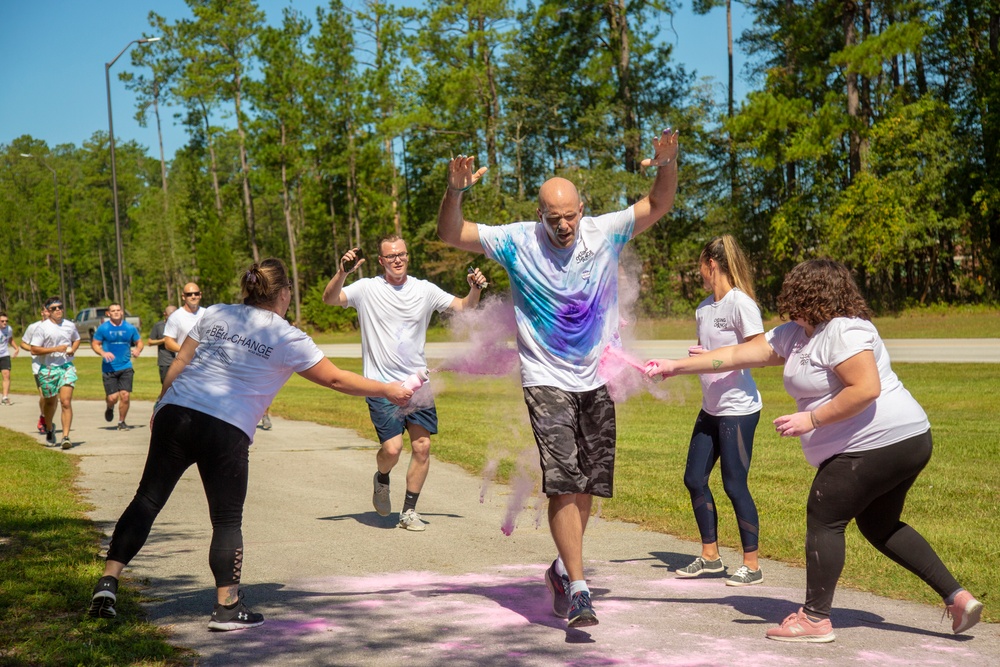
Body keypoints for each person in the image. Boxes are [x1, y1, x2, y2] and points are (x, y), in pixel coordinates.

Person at [645, 258, 984, 643]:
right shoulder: (797, 334)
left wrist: (812, 420)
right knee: (879, 525)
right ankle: (958, 597)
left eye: (794, 296)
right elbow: (740, 355)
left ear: (812, 295)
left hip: (880, 442)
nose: (788, 305)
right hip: (903, 440)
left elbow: (866, 388)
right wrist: (675, 366)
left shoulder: (843, 330)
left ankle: (815, 619)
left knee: (824, 513)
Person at [437, 128, 680, 627]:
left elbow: (658, 203)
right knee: (563, 483)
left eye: (570, 216)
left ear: (582, 209)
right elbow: (450, 234)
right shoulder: (516, 241)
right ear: (538, 215)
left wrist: (667, 163)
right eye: (554, 218)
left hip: (596, 377)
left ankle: (560, 571)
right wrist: (455, 191)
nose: (564, 226)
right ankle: (580, 586)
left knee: (587, 484)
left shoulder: (604, 230)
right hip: (544, 376)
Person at [88, 258, 413, 630]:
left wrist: (162, 403)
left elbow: (182, 359)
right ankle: (227, 607)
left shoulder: (217, 312)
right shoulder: (288, 337)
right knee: (226, 519)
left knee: (147, 499)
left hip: (176, 412)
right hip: (226, 427)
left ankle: (108, 583)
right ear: (285, 293)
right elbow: (337, 380)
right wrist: (389, 388)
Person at [322, 237, 487, 531]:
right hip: (381, 385)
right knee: (393, 450)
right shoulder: (367, 288)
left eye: (401, 254)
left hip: (418, 383)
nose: (397, 259)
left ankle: (409, 511)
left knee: (422, 447)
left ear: (407, 257)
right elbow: (329, 299)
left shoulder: (424, 289)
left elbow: (464, 307)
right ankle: (382, 479)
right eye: (391, 256)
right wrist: (343, 272)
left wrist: (474, 288)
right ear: (381, 260)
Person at [674, 236, 765, 587]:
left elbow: (758, 351)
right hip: (710, 407)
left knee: (734, 484)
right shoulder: (702, 308)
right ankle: (710, 557)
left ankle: (752, 564)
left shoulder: (741, 305)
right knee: (694, 478)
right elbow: (712, 351)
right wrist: (700, 355)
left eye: (700, 267)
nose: (699, 274)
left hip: (738, 409)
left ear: (711, 264)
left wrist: (717, 362)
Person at [28, 297, 80, 449]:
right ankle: (50, 428)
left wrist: (73, 350)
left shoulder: (69, 325)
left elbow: (76, 339)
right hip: (48, 369)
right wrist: (55, 349)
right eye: (54, 308)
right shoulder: (42, 328)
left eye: (60, 307)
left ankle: (65, 436)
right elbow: (34, 349)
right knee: (50, 402)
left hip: (66, 367)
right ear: (48, 311)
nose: (58, 310)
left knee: (65, 401)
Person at [91, 303, 144, 430]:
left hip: (126, 366)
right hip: (109, 368)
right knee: (113, 398)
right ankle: (110, 407)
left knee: (125, 395)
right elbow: (95, 344)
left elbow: (139, 342)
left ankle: (121, 422)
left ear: (122, 312)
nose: (116, 312)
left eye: (118, 310)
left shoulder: (130, 328)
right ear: (108, 314)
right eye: (113, 311)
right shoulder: (103, 328)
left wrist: (138, 350)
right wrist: (103, 353)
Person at [19, 305, 50, 434]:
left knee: (52, 397)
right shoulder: (33, 327)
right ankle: (43, 418)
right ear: (42, 312)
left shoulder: (59, 327)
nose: (49, 313)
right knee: (43, 394)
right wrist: (33, 350)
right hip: (39, 366)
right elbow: (23, 343)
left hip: (55, 366)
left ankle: (47, 417)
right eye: (47, 310)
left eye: (51, 310)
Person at [163, 282, 205, 353]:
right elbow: (168, 342)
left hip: (207, 362)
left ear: (200, 295)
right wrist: (187, 351)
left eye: (196, 293)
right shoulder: (175, 317)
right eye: (189, 294)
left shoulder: (208, 313)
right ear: (183, 296)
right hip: (186, 362)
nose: (193, 296)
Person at [147, 305, 178, 384]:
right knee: (166, 386)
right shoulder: (159, 326)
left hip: (179, 361)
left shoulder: (181, 325)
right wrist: (164, 340)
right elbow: (150, 342)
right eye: (170, 314)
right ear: (165, 314)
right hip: (165, 362)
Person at [0, 312, 18, 405]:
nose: (4, 323)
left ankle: (5, 397)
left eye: (6, 321)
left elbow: (10, 339)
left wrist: (16, 348)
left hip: (4, 354)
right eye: (2, 321)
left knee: (6, 375)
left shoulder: (8, 329)